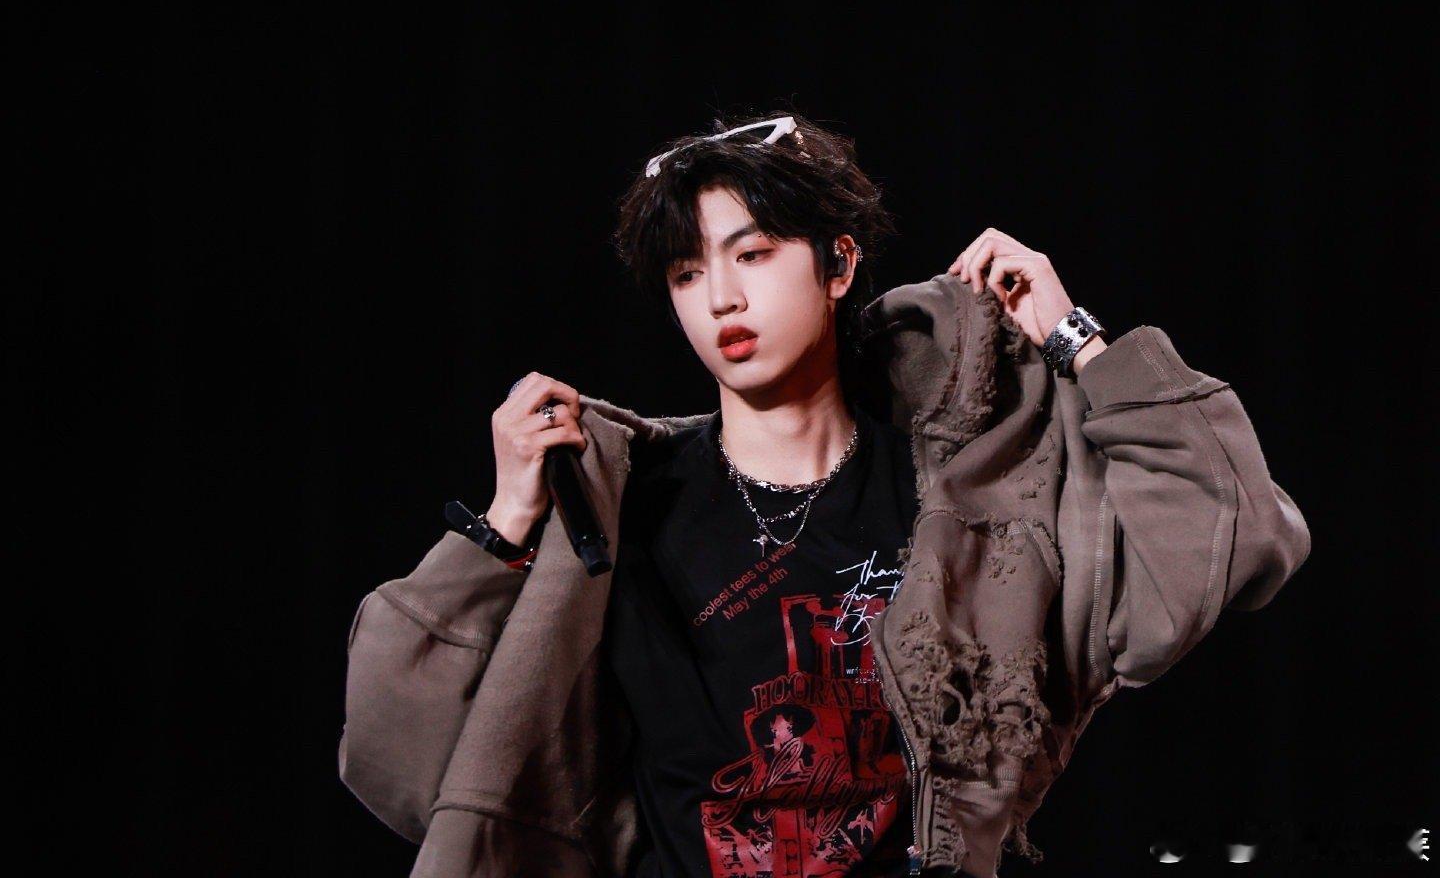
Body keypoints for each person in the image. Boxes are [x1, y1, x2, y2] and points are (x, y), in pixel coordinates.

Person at [339, 112, 1312, 878]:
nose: (720, 297)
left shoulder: (955, 491)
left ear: (838, 263)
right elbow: (393, 755)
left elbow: (1237, 537)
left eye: (753, 254)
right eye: (687, 271)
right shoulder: (623, 507)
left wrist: (1075, 339)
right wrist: (507, 522)